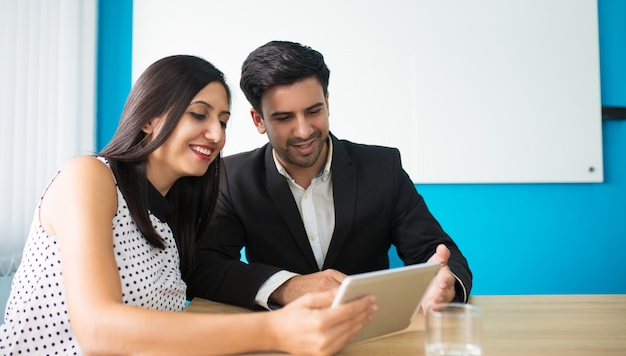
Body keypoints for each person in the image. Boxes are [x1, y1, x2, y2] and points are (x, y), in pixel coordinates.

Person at [0, 55, 376, 356]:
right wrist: (276, 329)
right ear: (148, 118)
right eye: (199, 114)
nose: (216, 135)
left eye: (223, 121)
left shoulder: (169, 216)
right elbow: (100, 331)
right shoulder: (89, 177)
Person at [186, 41, 473, 312]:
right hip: (283, 341)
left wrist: (444, 283)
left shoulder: (383, 167)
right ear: (258, 120)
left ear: (327, 101)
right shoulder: (233, 178)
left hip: (372, 334)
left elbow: (435, 251)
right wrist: (287, 286)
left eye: (313, 111)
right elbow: (207, 266)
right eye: (284, 118)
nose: (303, 131)